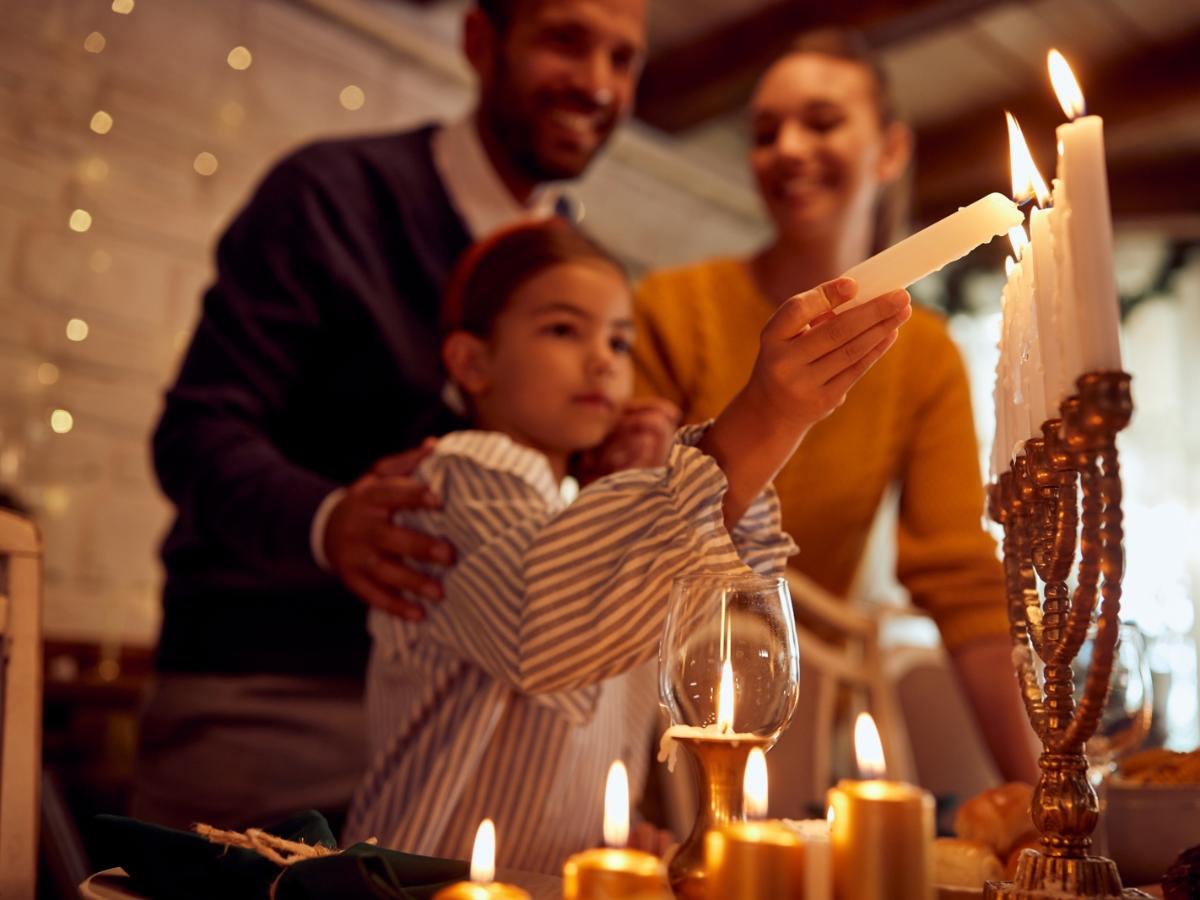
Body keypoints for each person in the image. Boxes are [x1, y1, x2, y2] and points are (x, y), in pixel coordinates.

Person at [135, 0, 650, 831]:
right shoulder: (329, 197)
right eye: (566, 41)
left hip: (476, 738)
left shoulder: (574, 268)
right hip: (283, 703)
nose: (597, 84)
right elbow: (197, 435)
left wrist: (604, 466)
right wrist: (329, 521)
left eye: (624, 59)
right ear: (482, 41)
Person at [343, 219, 911, 869]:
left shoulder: (582, 511)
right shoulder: (456, 478)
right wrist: (761, 419)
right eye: (562, 330)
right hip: (411, 879)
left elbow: (644, 643)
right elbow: (545, 631)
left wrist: (619, 829)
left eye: (619, 342)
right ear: (471, 362)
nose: (601, 362)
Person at [632, 29, 1040, 813]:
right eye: (763, 132)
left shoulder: (924, 356)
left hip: (793, 697)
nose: (787, 149)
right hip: (649, 686)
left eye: (821, 123)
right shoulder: (673, 307)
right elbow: (631, 525)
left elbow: (957, 578)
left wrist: (1040, 790)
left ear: (889, 151)